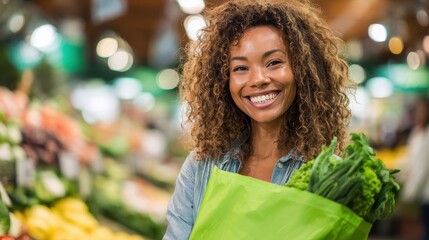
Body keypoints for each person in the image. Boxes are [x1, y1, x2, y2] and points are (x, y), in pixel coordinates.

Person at [164, 0, 352, 239]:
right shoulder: (201, 166)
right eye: (241, 68)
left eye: (274, 63)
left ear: (303, 70)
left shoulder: (331, 176)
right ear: (224, 81)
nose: (258, 79)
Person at [401, 97, 429, 240]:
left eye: (422, 111)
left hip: (426, 192)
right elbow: (411, 161)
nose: (418, 114)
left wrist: (410, 193)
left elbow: (423, 167)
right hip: (420, 192)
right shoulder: (416, 132)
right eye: (417, 111)